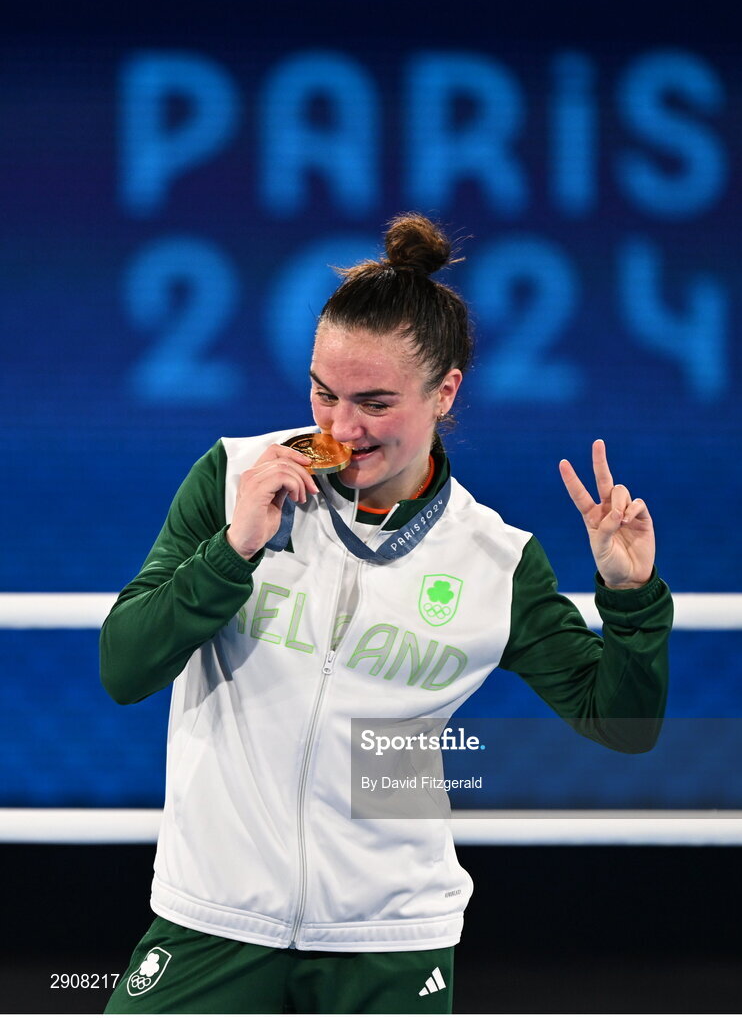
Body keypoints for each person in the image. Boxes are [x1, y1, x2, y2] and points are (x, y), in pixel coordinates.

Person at [101, 213, 672, 1014]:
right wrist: (234, 549)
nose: (342, 428)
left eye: (373, 401)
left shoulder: (494, 558)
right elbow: (123, 670)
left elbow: (621, 723)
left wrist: (630, 598)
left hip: (391, 942)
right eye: (323, 392)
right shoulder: (234, 475)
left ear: (445, 391)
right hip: (213, 916)